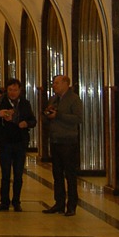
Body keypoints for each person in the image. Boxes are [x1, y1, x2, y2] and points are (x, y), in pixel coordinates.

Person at [42, 74, 83, 215]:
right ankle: (59, 203)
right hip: (55, 140)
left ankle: (71, 205)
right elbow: (49, 116)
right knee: (57, 174)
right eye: (53, 83)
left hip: (68, 141)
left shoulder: (74, 99)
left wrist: (58, 115)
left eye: (57, 83)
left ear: (66, 83)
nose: (54, 85)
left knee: (70, 175)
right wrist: (47, 115)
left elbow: (78, 118)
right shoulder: (54, 99)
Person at [0, 78, 36, 210]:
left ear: (20, 90)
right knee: (5, 174)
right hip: (5, 142)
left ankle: (16, 201)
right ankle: (4, 201)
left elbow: (33, 120)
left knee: (18, 174)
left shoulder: (25, 103)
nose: (12, 93)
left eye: (15, 90)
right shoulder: (1, 102)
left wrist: (26, 123)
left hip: (20, 142)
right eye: (10, 90)